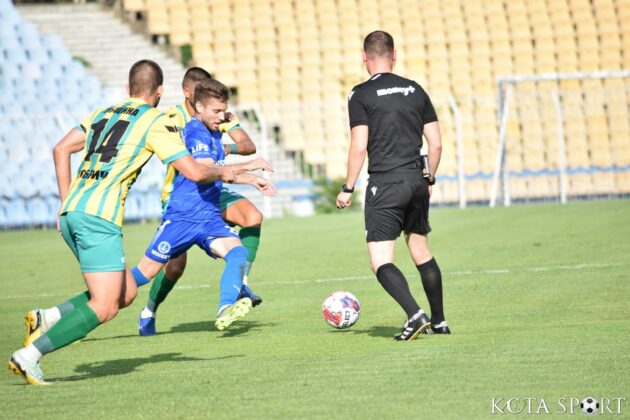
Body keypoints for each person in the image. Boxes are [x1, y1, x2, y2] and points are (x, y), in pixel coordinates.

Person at [9, 59, 270, 385]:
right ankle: (28, 356)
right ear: (160, 92)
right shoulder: (154, 121)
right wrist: (236, 171)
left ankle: (47, 317)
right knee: (106, 306)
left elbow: (61, 149)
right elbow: (195, 171)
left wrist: (65, 203)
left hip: (72, 212)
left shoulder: (103, 113)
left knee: (125, 291)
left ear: (127, 88)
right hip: (99, 216)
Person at [132, 78, 275, 333]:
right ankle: (112, 300)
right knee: (151, 273)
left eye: (223, 110)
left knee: (239, 250)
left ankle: (227, 305)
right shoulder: (194, 130)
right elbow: (205, 170)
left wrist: (252, 178)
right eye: (217, 111)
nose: (223, 116)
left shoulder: (213, 130)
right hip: (183, 214)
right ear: (195, 102)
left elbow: (226, 163)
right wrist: (248, 166)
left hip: (208, 214)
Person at [336, 31, 449, 341]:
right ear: (394, 56)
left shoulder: (360, 93)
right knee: (421, 252)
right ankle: (439, 321)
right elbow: (436, 144)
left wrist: (348, 187)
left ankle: (415, 315)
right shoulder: (415, 89)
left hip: (385, 183)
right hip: (416, 180)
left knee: (380, 261)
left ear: (365, 59)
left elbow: (359, 146)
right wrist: (429, 178)